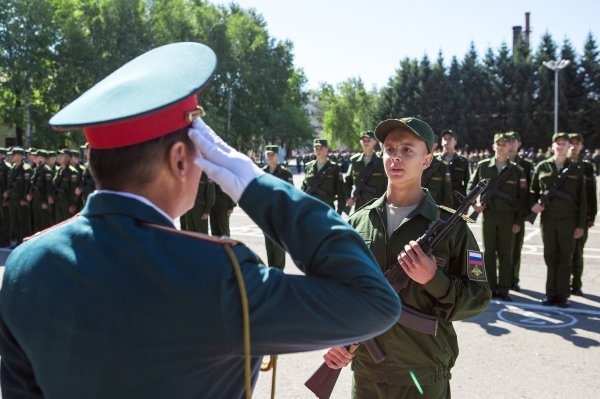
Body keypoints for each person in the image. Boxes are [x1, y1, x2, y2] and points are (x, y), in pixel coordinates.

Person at [0, 42, 401, 399]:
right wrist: (254, 184)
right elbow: (374, 304)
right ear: (179, 159)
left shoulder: (27, 264)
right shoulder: (218, 275)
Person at [324, 117, 491, 399]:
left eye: (407, 150)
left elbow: (479, 297)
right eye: (389, 149)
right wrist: (336, 337)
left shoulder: (452, 227)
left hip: (423, 374)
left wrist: (433, 280)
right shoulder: (357, 223)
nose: (396, 157)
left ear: (427, 160)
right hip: (367, 374)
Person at [468, 133, 529, 301]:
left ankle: (504, 289)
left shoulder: (517, 170)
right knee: (488, 254)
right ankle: (490, 288)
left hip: (508, 218)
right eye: (498, 144)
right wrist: (474, 205)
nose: (501, 147)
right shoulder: (483, 166)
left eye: (504, 144)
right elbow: (470, 188)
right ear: (493, 146)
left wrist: (518, 221)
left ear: (510, 147)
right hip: (489, 216)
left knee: (506, 255)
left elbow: (523, 199)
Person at [530, 132, 587, 308]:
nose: (560, 146)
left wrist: (580, 225)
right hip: (548, 220)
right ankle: (550, 294)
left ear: (568, 146)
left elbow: (582, 199)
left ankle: (562, 295)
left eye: (564, 143)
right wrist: (534, 205)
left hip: (569, 221)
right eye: (557, 143)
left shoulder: (576, 168)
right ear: (552, 146)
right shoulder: (542, 166)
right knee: (550, 257)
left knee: (565, 258)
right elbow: (533, 191)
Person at [568, 133, 597, 296]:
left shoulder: (587, 167)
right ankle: (562, 283)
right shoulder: (563, 163)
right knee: (564, 253)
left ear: (581, 146)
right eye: (571, 143)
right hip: (564, 216)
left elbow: (591, 193)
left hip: (581, 216)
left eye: (576, 144)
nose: (573, 146)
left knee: (578, 252)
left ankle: (576, 284)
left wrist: (591, 215)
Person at [505, 131, 534, 292]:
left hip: (517, 213)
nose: (510, 144)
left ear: (519, 144)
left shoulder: (526, 165)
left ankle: (512, 279)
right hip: (501, 212)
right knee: (500, 250)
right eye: (507, 141)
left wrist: (522, 216)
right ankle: (500, 279)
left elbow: (528, 192)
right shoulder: (500, 162)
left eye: (513, 141)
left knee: (515, 248)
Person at [261, 145, 293, 269]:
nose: (270, 157)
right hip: (266, 212)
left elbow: (291, 193)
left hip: (280, 212)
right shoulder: (261, 172)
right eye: (268, 155)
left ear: (277, 156)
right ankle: (271, 268)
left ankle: (279, 269)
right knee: (269, 242)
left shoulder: (285, 173)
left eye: (272, 155)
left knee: (279, 243)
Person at [344, 131, 387, 214]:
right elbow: (348, 181)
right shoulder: (355, 161)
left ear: (375, 142)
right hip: (359, 203)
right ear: (360, 142)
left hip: (377, 203)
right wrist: (348, 197)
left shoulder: (381, 161)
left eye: (368, 140)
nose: (366, 142)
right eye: (364, 140)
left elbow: (387, 183)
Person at [301, 138, 347, 214]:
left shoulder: (334, 167)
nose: (318, 150)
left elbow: (340, 191)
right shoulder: (308, 166)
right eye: (316, 148)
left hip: (327, 208)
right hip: (311, 208)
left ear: (326, 149)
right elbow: (304, 187)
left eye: (321, 148)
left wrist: (339, 211)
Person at [4, 147, 32, 247]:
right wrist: (7, 193)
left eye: (13, 155)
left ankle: (22, 241)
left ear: (20, 156)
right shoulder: (12, 169)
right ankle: (15, 240)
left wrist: (25, 200)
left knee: (22, 221)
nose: (11, 157)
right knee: (13, 220)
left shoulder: (26, 169)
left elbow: (28, 186)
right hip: (12, 199)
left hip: (20, 200)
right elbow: (9, 184)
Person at [437, 129, 470, 209]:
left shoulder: (462, 161)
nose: (447, 141)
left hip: (456, 202)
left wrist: (466, 202)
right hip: (437, 200)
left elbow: (467, 184)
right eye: (445, 139)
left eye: (450, 139)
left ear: (455, 142)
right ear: (441, 142)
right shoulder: (434, 160)